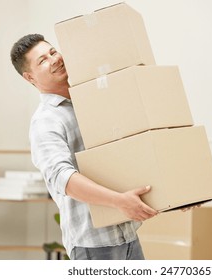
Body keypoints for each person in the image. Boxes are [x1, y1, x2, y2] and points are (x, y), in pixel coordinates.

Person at [10, 33, 158, 260]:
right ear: (30, 78)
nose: (55, 59)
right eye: (43, 60)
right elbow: (63, 178)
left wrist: (176, 198)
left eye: (53, 52)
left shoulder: (92, 103)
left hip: (127, 236)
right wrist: (119, 201)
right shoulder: (46, 120)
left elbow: (126, 153)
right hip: (93, 246)